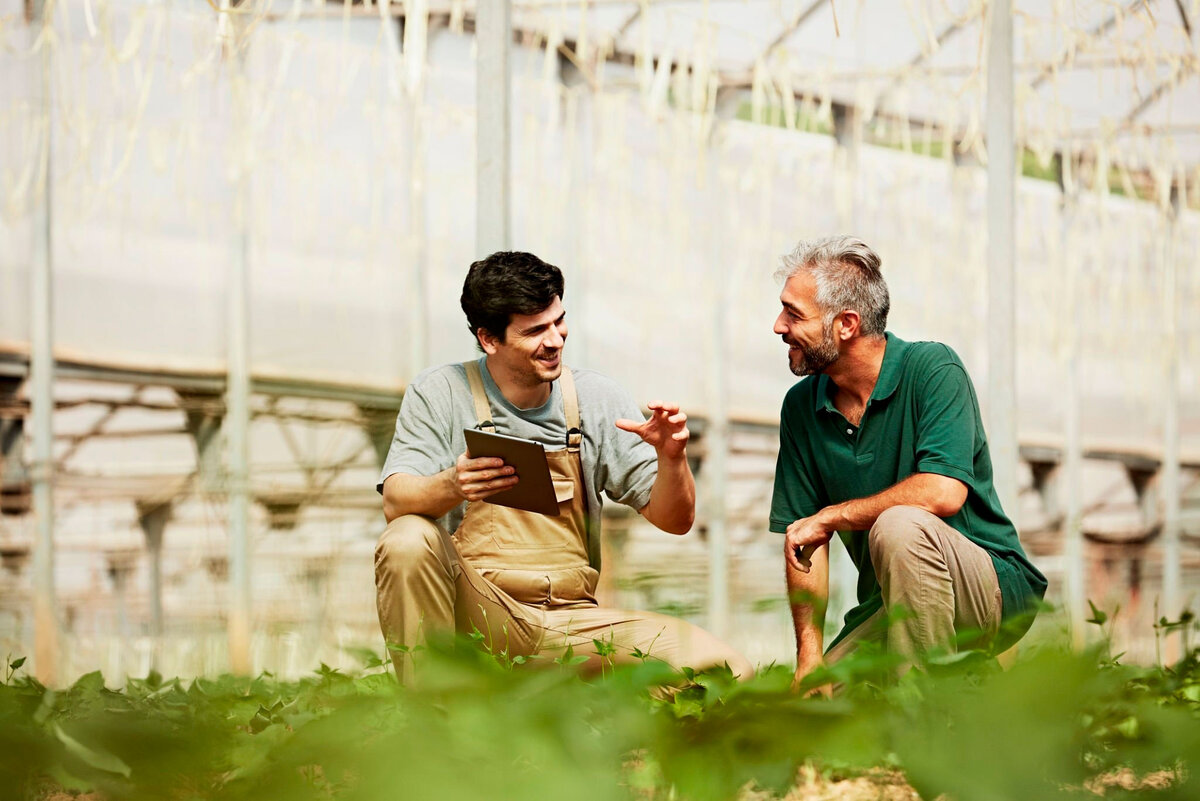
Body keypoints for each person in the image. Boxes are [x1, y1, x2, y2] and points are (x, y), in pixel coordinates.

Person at [375, 251, 751, 684]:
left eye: (559, 321)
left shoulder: (596, 398)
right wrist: (453, 483)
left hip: (572, 624)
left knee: (727, 674)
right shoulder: (440, 391)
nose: (555, 339)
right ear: (489, 339)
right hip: (483, 610)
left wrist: (672, 459)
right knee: (407, 536)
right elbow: (395, 500)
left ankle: (591, 721)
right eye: (535, 330)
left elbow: (675, 519)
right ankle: (434, 724)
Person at [768, 235, 1046, 688]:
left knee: (899, 524)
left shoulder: (933, 370)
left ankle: (929, 720)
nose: (779, 325)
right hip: (889, 605)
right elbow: (804, 539)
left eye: (794, 313)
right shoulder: (801, 407)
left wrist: (832, 516)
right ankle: (970, 684)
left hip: (990, 587)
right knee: (814, 714)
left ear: (846, 324)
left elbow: (942, 491)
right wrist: (810, 658)